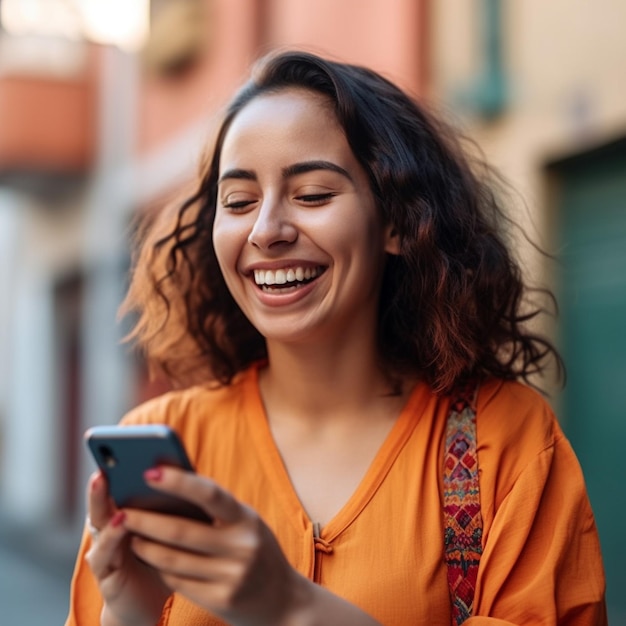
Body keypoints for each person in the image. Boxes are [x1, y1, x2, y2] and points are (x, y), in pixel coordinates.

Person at [65, 50, 607, 625]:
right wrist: (129, 613)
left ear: (397, 222)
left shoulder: (504, 441)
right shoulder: (169, 444)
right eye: (239, 202)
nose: (267, 230)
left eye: (313, 195)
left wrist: (289, 603)